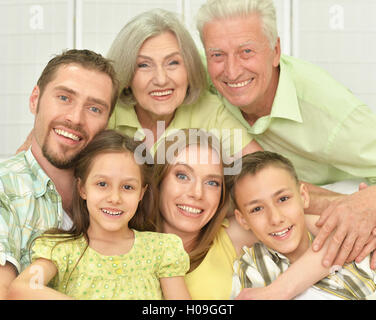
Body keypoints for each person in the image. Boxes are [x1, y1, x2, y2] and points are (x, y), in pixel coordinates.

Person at [196, 0, 376, 268]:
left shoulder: (335, 115)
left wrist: (367, 204)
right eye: (218, 55)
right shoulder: (197, 77)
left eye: (246, 51)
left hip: (323, 211)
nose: (232, 71)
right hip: (260, 214)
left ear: (275, 51)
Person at [147, 128, 337, 300]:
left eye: (212, 182)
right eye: (182, 176)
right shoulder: (127, 240)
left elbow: (338, 232)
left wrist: (280, 290)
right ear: (159, 179)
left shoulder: (229, 236)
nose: (197, 193)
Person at [7, 130, 191, 300]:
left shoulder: (161, 249)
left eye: (128, 187)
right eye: (102, 184)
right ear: (82, 188)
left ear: (141, 194)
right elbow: (20, 289)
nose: (115, 198)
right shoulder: (62, 250)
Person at [0, 49, 119, 298]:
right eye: (64, 98)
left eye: (94, 109)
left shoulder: (116, 196)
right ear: (35, 99)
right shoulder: (5, 189)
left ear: (107, 123)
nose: (75, 118)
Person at [106, 8, 261, 157]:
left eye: (173, 62)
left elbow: (263, 171)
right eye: (144, 65)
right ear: (126, 74)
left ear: (189, 68)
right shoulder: (109, 110)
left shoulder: (209, 110)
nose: (161, 79)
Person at [228, 151, 376, 300]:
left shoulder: (354, 233)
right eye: (257, 209)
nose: (275, 218)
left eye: (283, 199)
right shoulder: (253, 270)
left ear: (303, 197)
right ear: (243, 220)